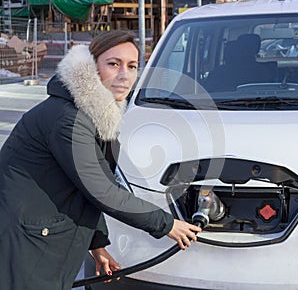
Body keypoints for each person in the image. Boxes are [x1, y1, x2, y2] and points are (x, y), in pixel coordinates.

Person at [0, 29, 202, 290]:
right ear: (91, 68)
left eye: (132, 66)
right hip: (26, 242)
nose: (124, 75)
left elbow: (87, 185)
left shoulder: (93, 113)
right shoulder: (69, 120)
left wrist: (97, 245)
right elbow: (102, 190)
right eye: (113, 64)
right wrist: (167, 224)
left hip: (41, 235)